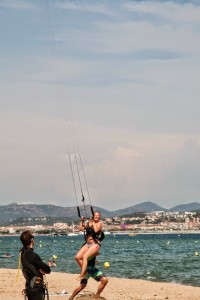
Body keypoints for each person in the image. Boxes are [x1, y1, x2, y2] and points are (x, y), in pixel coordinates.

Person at [69, 235, 108, 300]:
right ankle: (71, 297)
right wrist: (93, 255)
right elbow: (80, 258)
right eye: (90, 239)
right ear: (87, 240)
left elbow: (89, 257)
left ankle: (97, 296)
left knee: (105, 280)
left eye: (92, 239)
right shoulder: (86, 247)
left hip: (93, 269)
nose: (92, 240)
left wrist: (94, 259)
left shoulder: (94, 246)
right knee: (82, 286)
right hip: (87, 270)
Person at [20, 230, 51, 300]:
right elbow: (48, 270)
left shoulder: (22, 253)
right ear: (32, 240)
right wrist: (43, 268)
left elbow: (30, 268)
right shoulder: (32, 255)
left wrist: (39, 269)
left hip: (29, 286)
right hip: (35, 289)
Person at [75, 211, 104, 280]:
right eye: (95, 215)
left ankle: (82, 274)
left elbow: (96, 230)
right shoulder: (89, 223)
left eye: (98, 215)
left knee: (85, 257)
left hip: (95, 244)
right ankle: (85, 271)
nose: (97, 217)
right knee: (77, 257)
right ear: (93, 216)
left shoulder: (99, 223)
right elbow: (80, 229)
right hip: (87, 244)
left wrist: (93, 222)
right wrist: (82, 220)